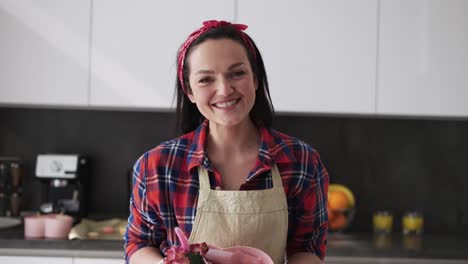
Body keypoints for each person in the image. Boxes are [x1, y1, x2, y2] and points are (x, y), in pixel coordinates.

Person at [124, 20, 329, 264]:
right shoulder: (156, 166)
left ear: (255, 79)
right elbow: (139, 243)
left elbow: (308, 248)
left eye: (237, 73)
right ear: (189, 91)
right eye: (206, 80)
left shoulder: (301, 161)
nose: (224, 90)